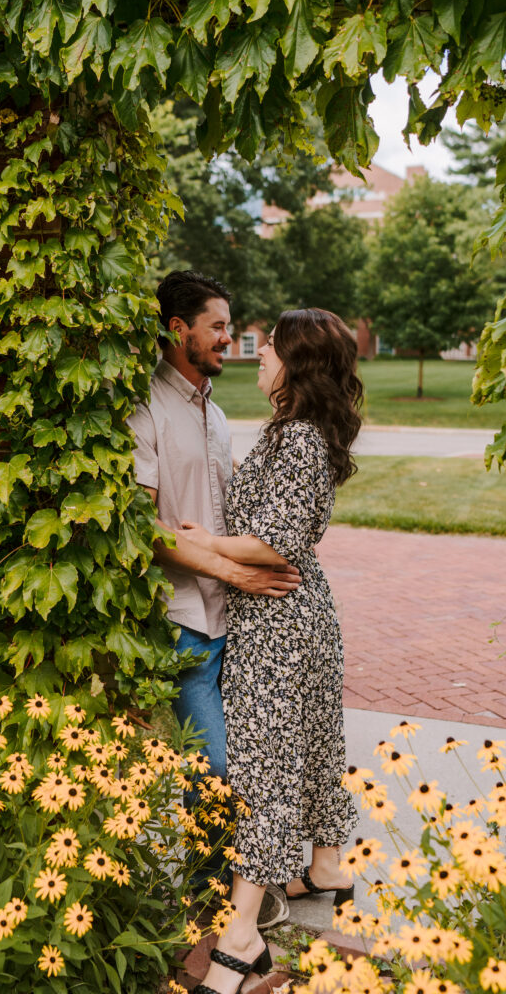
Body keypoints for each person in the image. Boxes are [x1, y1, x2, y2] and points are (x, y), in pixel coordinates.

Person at [180, 308, 363, 994]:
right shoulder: (295, 433)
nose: (257, 355)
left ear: (298, 366)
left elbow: (272, 544)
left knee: (264, 773)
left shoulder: (298, 440)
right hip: (294, 613)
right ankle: (324, 867)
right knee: (307, 749)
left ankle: (240, 934)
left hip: (277, 620)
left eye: (270, 349)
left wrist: (201, 543)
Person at [128, 270, 300, 922]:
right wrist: (231, 573)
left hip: (237, 618)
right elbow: (142, 529)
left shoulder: (219, 414)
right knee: (214, 768)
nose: (230, 338)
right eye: (218, 327)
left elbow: (226, 515)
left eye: (229, 328)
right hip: (184, 619)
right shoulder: (145, 408)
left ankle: (225, 889)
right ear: (178, 329)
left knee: (246, 763)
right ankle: (214, 899)